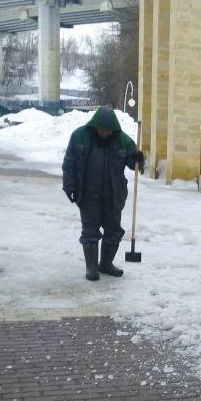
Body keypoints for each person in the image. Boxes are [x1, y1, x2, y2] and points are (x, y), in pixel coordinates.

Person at [62, 106, 144, 281]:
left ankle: (106, 264)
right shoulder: (80, 136)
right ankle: (91, 267)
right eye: (101, 129)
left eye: (108, 130)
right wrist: (69, 186)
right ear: (95, 125)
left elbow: (134, 164)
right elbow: (69, 163)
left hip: (113, 194)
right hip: (88, 192)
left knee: (113, 230)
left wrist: (138, 158)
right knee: (90, 230)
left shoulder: (123, 140)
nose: (105, 133)